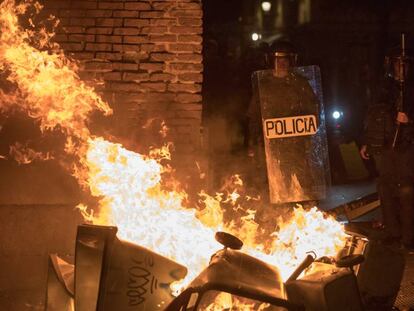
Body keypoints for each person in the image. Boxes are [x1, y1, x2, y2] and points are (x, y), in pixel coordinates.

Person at [247, 40, 325, 204]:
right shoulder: (264, 86)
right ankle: (279, 215)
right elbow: (254, 116)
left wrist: (309, 130)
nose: (282, 63)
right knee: (277, 181)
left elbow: (313, 109)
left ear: (291, 61)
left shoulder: (300, 83)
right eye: (278, 59)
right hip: (273, 145)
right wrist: (253, 142)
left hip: (297, 144)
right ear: (271, 61)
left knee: (304, 180)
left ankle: (309, 211)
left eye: (285, 59)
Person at [360, 46, 414, 251]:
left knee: (407, 190)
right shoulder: (381, 88)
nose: (401, 68)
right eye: (397, 63)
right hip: (383, 146)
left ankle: (408, 237)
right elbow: (371, 116)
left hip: (406, 146)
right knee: (385, 189)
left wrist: (409, 120)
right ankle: (393, 232)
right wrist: (367, 141)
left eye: (404, 64)